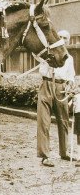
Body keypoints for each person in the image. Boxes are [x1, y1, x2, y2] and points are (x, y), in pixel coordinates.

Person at [37, 30, 76, 167]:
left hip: (61, 88)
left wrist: (71, 86)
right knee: (44, 121)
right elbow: (35, 55)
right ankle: (45, 156)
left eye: (65, 37)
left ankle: (64, 152)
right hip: (46, 85)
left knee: (64, 120)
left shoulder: (69, 59)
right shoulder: (47, 54)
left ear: (68, 41)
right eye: (59, 37)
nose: (61, 39)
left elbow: (71, 76)